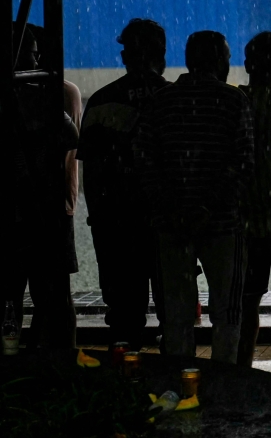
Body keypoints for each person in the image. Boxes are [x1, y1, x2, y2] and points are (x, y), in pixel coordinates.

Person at [134, 30, 254, 363]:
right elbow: (243, 163)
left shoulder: (161, 102)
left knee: (176, 314)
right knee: (226, 313)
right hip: (222, 226)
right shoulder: (233, 101)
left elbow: (145, 162)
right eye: (228, 58)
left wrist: (172, 208)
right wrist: (208, 206)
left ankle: (178, 382)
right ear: (218, 61)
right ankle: (224, 386)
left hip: (171, 226)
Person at [0, 23, 79, 350]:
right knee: (52, 296)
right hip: (45, 213)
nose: (38, 57)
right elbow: (71, 139)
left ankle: (2, 363)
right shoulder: (45, 96)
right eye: (32, 53)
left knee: (3, 294)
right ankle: (52, 362)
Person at [78, 19, 169, 351]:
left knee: (124, 319)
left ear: (124, 56)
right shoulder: (173, 98)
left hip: (116, 226)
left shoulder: (102, 102)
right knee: (173, 314)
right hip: (166, 225)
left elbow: (92, 174)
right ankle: (175, 387)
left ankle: (125, 387)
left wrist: (98, 219)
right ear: (162, 53)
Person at [235, 32, 271, 367]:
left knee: (245, 306)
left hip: (245, 227)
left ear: (247, 64)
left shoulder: (235, 104)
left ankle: (242, 369)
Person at [28, 22, 82, 349]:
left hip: (46, 201)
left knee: (45, 288)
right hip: (60, 201)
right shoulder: (67, 91)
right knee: (58, 289)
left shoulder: (56, 93)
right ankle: (66, 352)